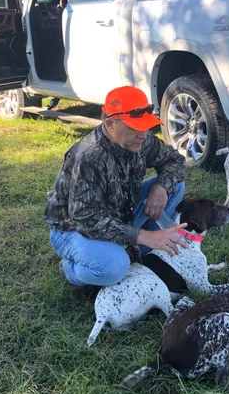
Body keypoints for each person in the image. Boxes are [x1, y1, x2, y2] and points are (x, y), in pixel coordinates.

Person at [45, 86, 188, 288]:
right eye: (134, 127)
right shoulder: (90, 157)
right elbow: (87, 220)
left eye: (145, 126)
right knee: (113, 267)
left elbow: (175, 161)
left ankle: (143, 249)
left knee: (176, 185)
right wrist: (144, 235)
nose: (143, 134)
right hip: (72, 229)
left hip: (120, 213)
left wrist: (161, 188)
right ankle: (71, 270)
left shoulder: (140, 140)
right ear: (110, 124)